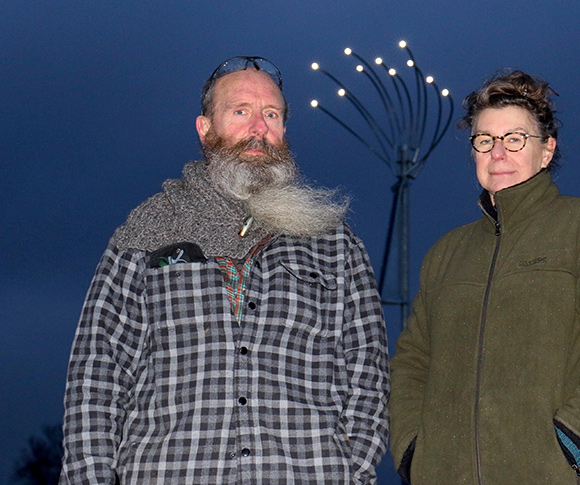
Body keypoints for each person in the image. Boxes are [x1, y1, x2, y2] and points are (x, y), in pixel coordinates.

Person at [60, 56, 390, 484]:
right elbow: (96, 375)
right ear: (205, 128)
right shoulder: (147, 231)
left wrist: (350, 470)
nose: (258, 127)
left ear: (284, 129)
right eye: (240, 112)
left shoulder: (332, 241)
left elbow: (369, 372)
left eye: (271, 114)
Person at [388, 70, 580, 484]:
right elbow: (411, 363)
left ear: (547, 150)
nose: (498, 153)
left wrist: (572, 440)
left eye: (515, 138)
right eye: (485, 140)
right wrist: (413, 450)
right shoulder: (445, 253)